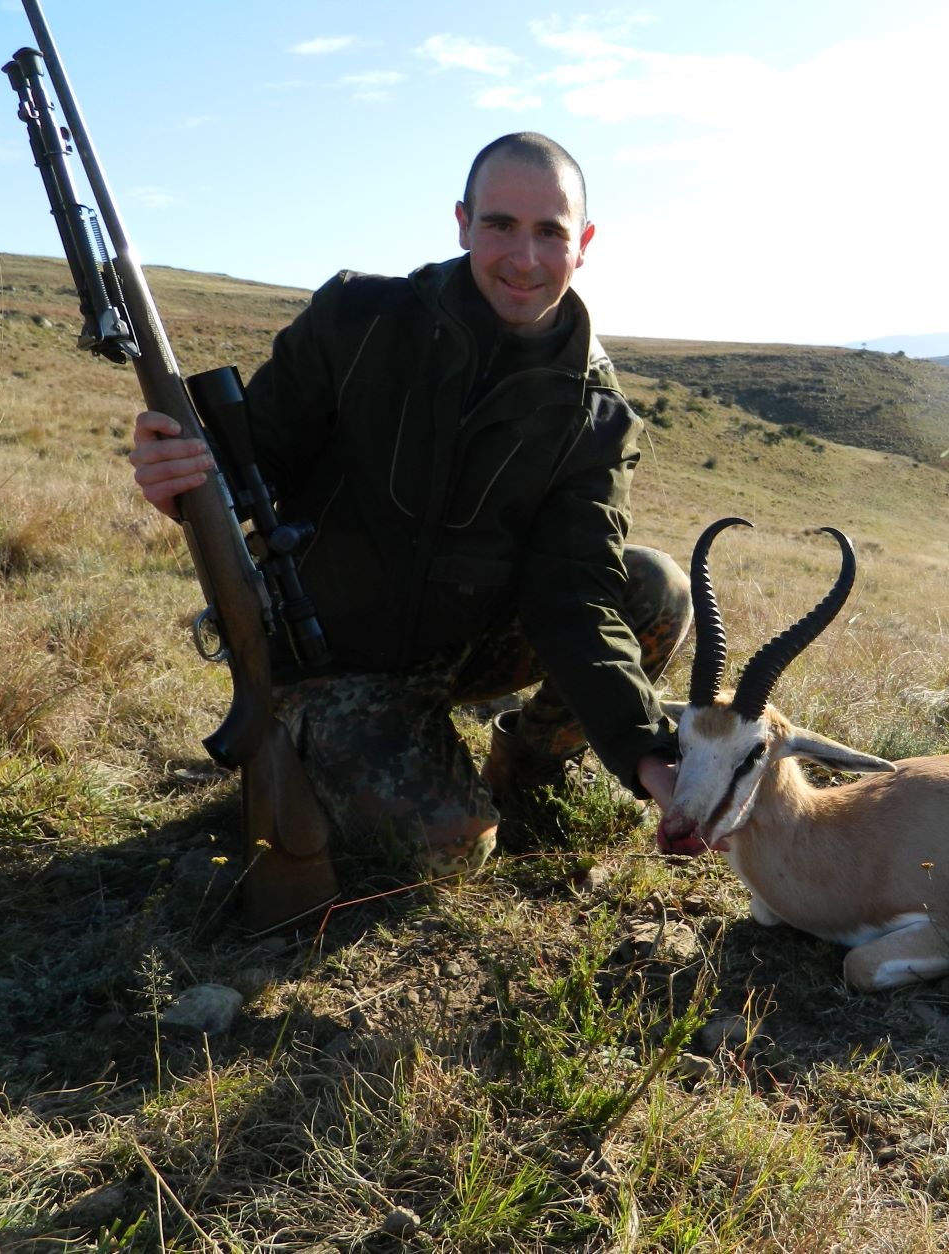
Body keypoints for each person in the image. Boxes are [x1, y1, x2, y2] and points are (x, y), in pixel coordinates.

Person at [128, 132, 688, 910]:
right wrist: (179, 480)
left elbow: (576, 592)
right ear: (462, 224)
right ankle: (311, 733)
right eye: (499, 225)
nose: (524, 257)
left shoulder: (595, 414)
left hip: (465, 647)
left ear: (583, 244)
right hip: (334, 655)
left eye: (550, 232)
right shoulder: (358, 320)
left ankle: (522, 772)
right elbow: (254, 462)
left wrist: (650, 757)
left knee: (653, 587)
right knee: (453, 848)